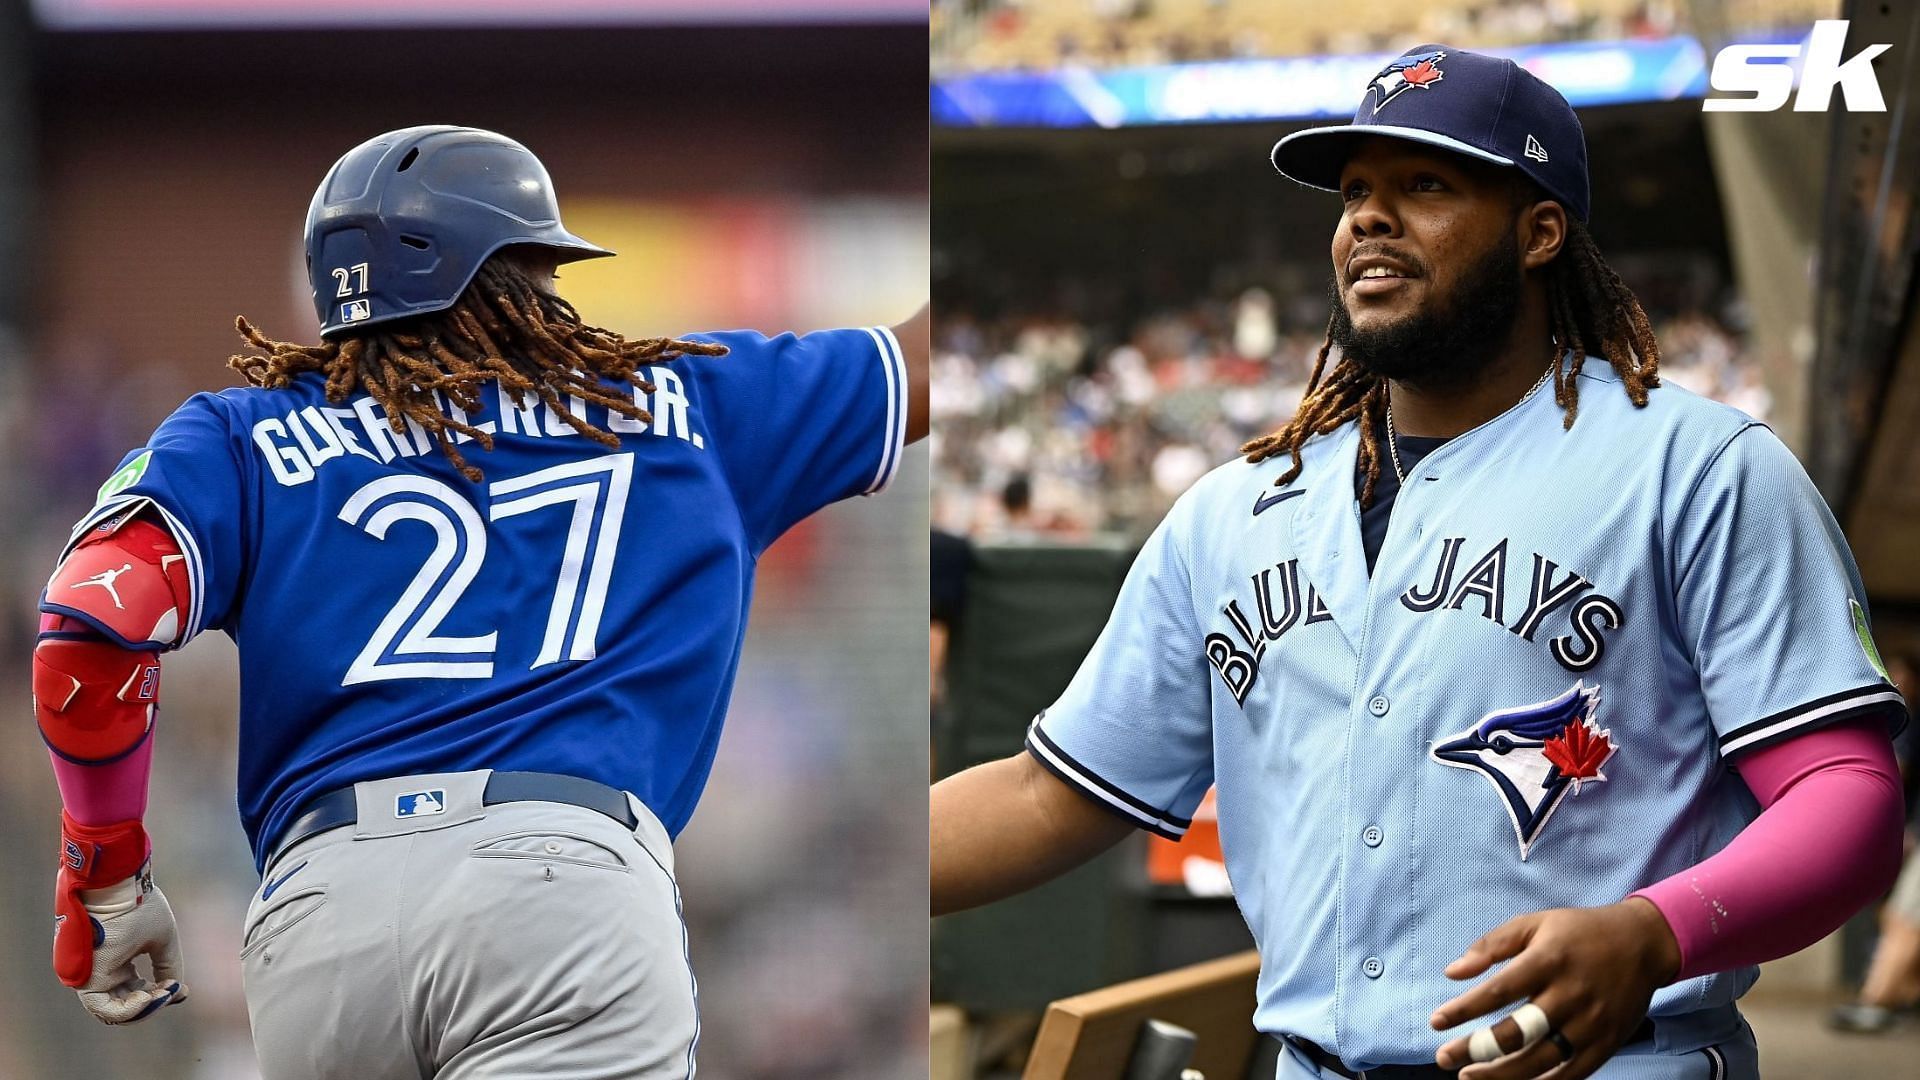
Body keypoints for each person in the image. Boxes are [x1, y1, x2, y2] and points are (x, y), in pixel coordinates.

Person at [930, 46, 1907, 1080]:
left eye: (1426, 185)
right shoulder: (1231, 513)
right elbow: (1050, 796)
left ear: (1539, 233)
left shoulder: (1699, 468)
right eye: (1356, 192)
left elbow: (1846, 792)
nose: (1368, 219)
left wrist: (1656, 931)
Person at [37, 125, 926, 1079]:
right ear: (524, 272)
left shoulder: (241, 435)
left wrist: (108, 875)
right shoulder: (680, 402)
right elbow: (926, 364)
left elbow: (89, 626)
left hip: (320, 921)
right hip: (562, 888)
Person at [1830, 654, 1920, 1033]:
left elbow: (1894, 773)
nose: (1895, 679)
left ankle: (1878, 999)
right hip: (1907, 829)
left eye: (1901, 674)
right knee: (1896, 915)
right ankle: (1897, 995)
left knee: (1904, 918)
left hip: (1905, 832)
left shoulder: (1908, 724)